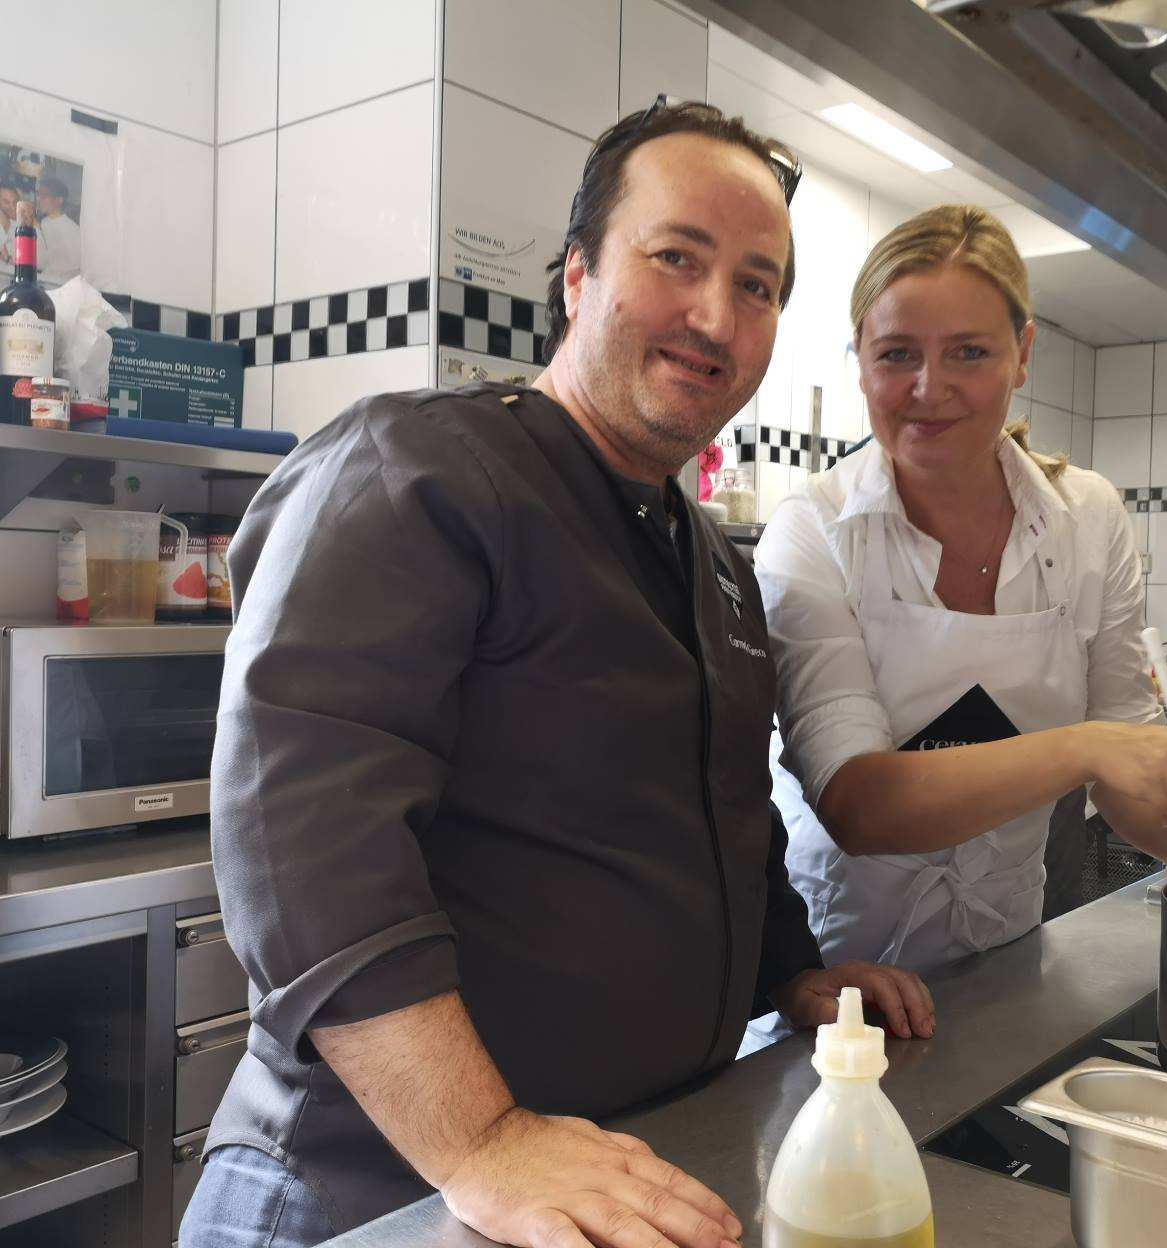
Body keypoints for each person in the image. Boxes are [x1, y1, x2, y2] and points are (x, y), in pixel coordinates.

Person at [180, 99, 933, 1248]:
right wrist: (483, 1142)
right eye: (676, 257)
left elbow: (723, 817)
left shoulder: (711, 567)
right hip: (378, 1190)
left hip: (605, 1175)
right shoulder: (418, 470)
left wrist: (795, 976)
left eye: (758, 285)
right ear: (577, 274)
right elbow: (299, 834)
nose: (714, 315)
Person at [756, 204, 1167, 976]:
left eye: (969, 352)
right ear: (861, 362)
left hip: (1003, 959)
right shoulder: (813, 530)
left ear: (1023, 353)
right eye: (896, 353)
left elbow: (1124, 788)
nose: (928, 386)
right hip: (837, 973)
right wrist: (1088, 749)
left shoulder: (1086, 519)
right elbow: (857, 804)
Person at [34, 176, 80, 283]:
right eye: (38, 194)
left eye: (44, 196)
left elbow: (41, 262)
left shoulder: (71, 229)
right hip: (44, 280)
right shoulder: (45, 221)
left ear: (59, 200)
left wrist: (36, 229)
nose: (38, 200)